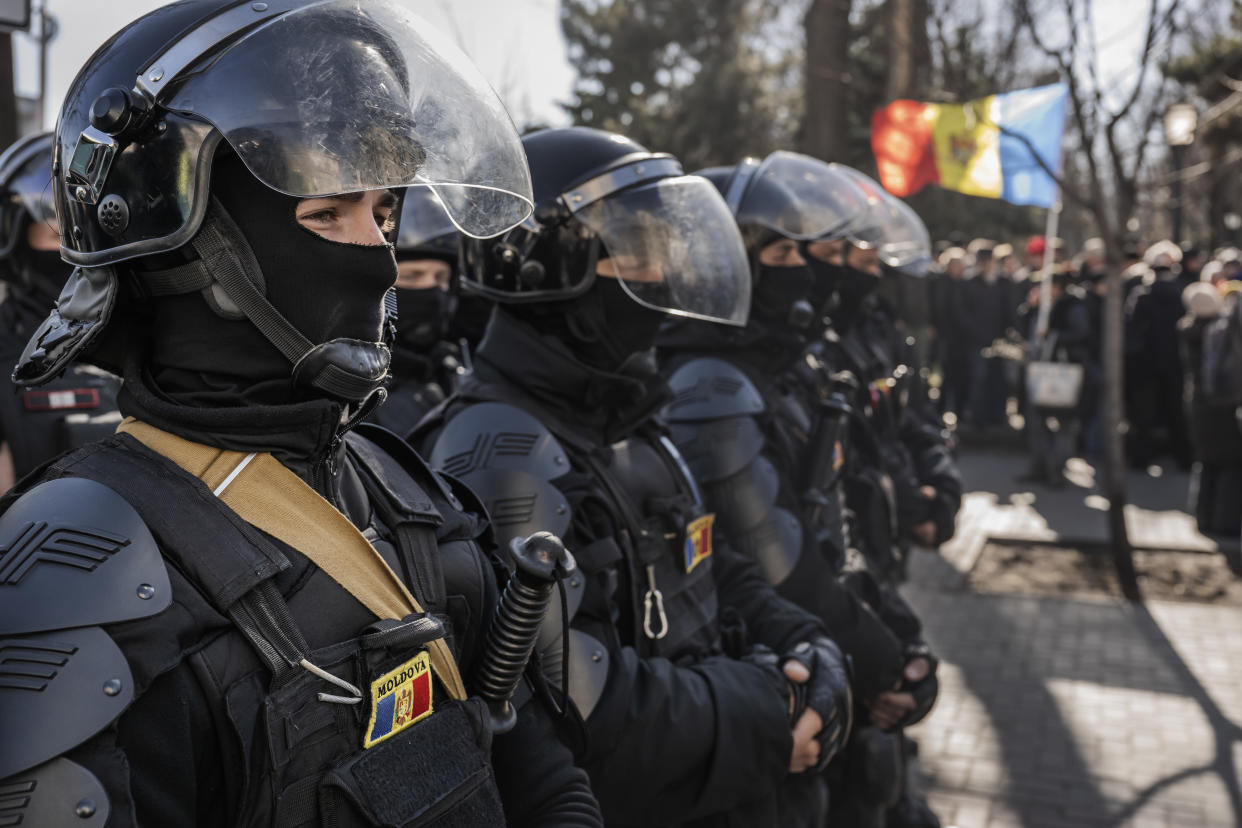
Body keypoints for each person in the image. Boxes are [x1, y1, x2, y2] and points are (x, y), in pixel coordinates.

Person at [0, 3, 602, 825]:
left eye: (382, 214)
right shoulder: (73, 569)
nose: (379, 257)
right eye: (326, 215)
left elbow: (537, 770)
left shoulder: (401, 489)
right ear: (183, 252)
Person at [414, 127, 852, 827]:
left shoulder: (622, 410)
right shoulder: (501, 449)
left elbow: (709, 564)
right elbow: (583, 707)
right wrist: (769, 709)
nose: (665, 273)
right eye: (639, 254)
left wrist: (808, 642)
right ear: (547, 266)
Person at [657, 152, 943, 828]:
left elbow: (833, 531)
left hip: (826, 663)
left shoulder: (783, 364)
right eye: (781, 251)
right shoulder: (711, 382)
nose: (803, 269)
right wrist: (879, 665)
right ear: (732, 258)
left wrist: (902, 638)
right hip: (776, 683)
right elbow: (777, 563)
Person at [0, 132, 121, 491]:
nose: (75, 252)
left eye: (86, 237)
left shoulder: (153, 335)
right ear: (16, 239)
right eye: (58, 237)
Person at [368, 187, 467, 437]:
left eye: (441, 277)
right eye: (412, 277)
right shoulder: (355, 393)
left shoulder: (455, 370)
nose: (431, 290)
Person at [1020, 271, 1096, 486]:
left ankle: (1057, 467)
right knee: (1036, 420)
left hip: (1065, 370)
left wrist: (1053, 337)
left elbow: (1081, 333)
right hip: (1042, 369)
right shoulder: (1043, 305)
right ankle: (1040, 466)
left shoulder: (1072, 305)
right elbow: (1026, 328)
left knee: (1065, 423)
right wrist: (1030, 307)